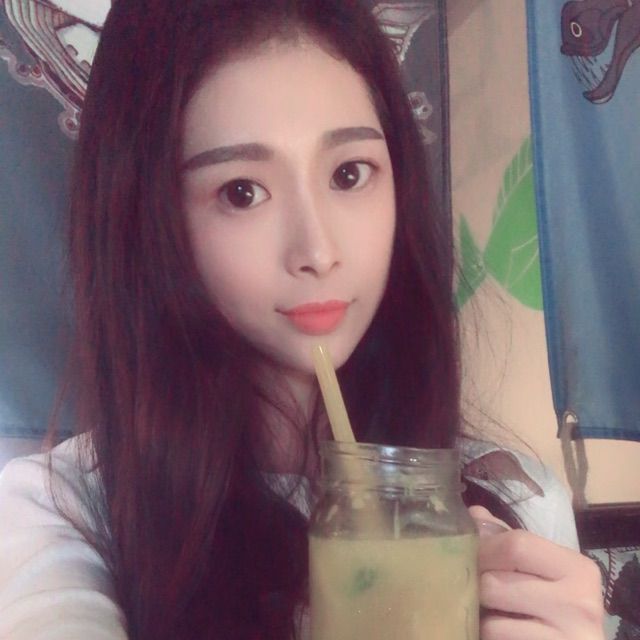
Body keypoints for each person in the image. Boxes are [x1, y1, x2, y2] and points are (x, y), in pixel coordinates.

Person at [0, 1, 604, 639]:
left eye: (349, 173)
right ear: (149, 220)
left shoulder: (516, 502)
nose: (317, 251)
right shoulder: (60, 512)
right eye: (241, 191)